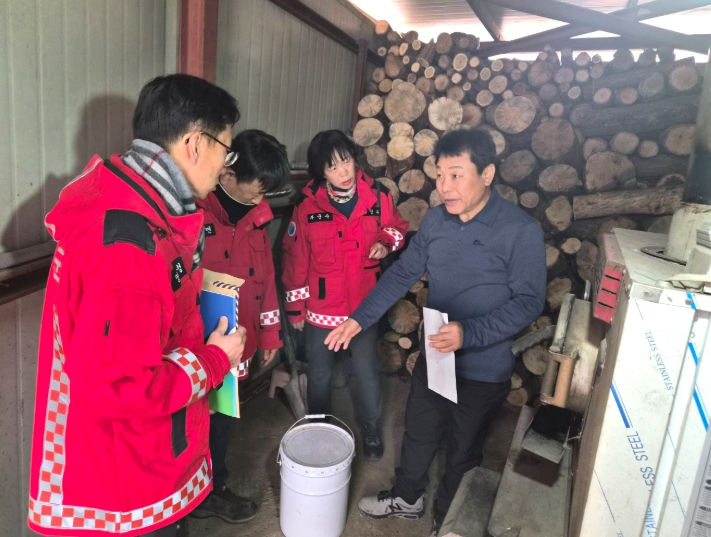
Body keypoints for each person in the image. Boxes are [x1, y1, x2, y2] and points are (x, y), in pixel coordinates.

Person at [28, 74, 246, 537]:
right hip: (122, 484)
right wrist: (214, 361)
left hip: (143, 454)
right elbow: (122, 389)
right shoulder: (128, 246)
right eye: (225, 152)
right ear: (194, 144)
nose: (225, 168)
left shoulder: (146, 208)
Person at [325, 129, 547, 536]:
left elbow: (529, 302)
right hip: (437, 355)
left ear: (487, 174)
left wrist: (470, 333)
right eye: (440, 175)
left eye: (456, 175)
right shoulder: (436, 220)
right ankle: (408, 498)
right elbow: (402, 274)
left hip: (483, 368)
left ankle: (448, 523)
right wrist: (359, 318)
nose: (444, 187)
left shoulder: (520, 230)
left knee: (463, 451)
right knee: (419, 432)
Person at [281, 130, 409, 461]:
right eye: (333, 167)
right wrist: (295, 310)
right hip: (322, 310)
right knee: (319, 375)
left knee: (367, 373)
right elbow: (296, 261)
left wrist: (386, 242)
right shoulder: (307, 206)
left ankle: (371, 428)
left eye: (346, 161)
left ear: (354, 159)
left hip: (363, 309)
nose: (343, 171)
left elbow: (397, 228)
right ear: (321, 172)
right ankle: (318, 426)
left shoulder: (378, 197)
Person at [190, 130, 290, 524]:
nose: (262, 197)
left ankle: (213, 489)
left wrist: (271, 336)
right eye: (258, 187)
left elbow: (266, 281)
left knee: (222, 418)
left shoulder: (257, 220)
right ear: (228, 174)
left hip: (237, 344)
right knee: (189, 423)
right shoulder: (192, 214)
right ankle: (185, 499)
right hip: (194, 348)